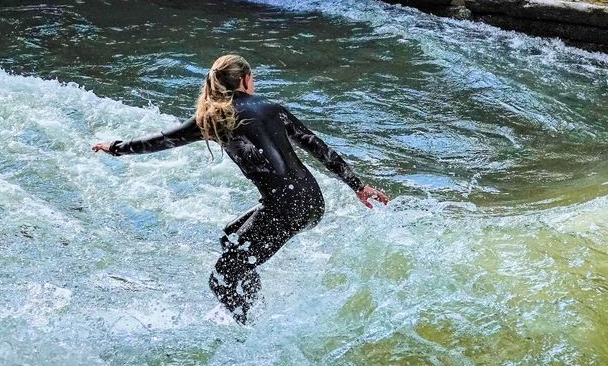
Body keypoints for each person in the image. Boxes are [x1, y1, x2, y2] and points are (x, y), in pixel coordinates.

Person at [92, 54, 389, 325]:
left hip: (285, 208)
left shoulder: (212, 119)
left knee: (221, 278)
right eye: (253, 78)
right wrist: (358, 186)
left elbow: (158, 141)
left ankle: (247, 330)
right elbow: (318, 148)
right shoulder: (272, 109)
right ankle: (253, 307)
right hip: (310, 201)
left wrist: (115, 148)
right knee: (231, 239)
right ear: (245, 80)